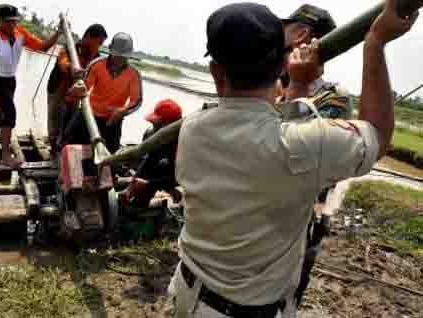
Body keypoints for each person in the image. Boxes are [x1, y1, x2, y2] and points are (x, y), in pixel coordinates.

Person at [168, 1, 418, 317]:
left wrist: (297, 87)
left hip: (188, 292)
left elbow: (272, 141)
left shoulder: (193, 128)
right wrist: (375, 44)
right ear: (281, 65)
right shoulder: (300, 139)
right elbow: (373, 137)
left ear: (216, 72)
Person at [279, 4, 351, 307]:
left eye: (285, 27)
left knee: (282, 294)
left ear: (301, 35)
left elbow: (305, 160)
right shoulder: (271, 85)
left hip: (298, 219)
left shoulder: (332, 98)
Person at [0, 4, 61, 170]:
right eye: (8, 22)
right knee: (9, 113)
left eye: (15, 21)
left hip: (10, 80)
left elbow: (43, 47)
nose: (12, 25)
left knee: (1, 110)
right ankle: (5, 156)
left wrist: (58, 33)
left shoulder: (21, 33)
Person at [67, 32, 143, 154]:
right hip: (90, 115)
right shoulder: (97, 64)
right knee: (74, 147)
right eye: (116, 56)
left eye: (123, 57)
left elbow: (137, 101)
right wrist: (76, 89)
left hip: (113, 121)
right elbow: (84, 87)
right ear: (111, 52)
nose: (119, 59)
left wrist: (123, 111)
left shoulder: (133, 74)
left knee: (109, 155)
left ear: (128, 56)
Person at [47, 24, 108, 159]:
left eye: (102, 43)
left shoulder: (96, 56)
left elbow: (97, 73)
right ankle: (53, 148)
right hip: (58, 89)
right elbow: (63, 63)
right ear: (88, 37)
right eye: (99, 42)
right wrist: (73, 68)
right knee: (54, 118)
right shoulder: (70, 48)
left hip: (75, 93)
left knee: (69, 119)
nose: (99, 46)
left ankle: (62, 146)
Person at [121, 99, 182, 208]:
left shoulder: (184, 144)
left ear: (167, 124)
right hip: (164, 174)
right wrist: (131, 185)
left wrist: (149, 184)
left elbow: (181, 177)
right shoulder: (153, 135)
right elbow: (149, 161)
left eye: (155, 124)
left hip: (185, 180)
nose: (153, 127)